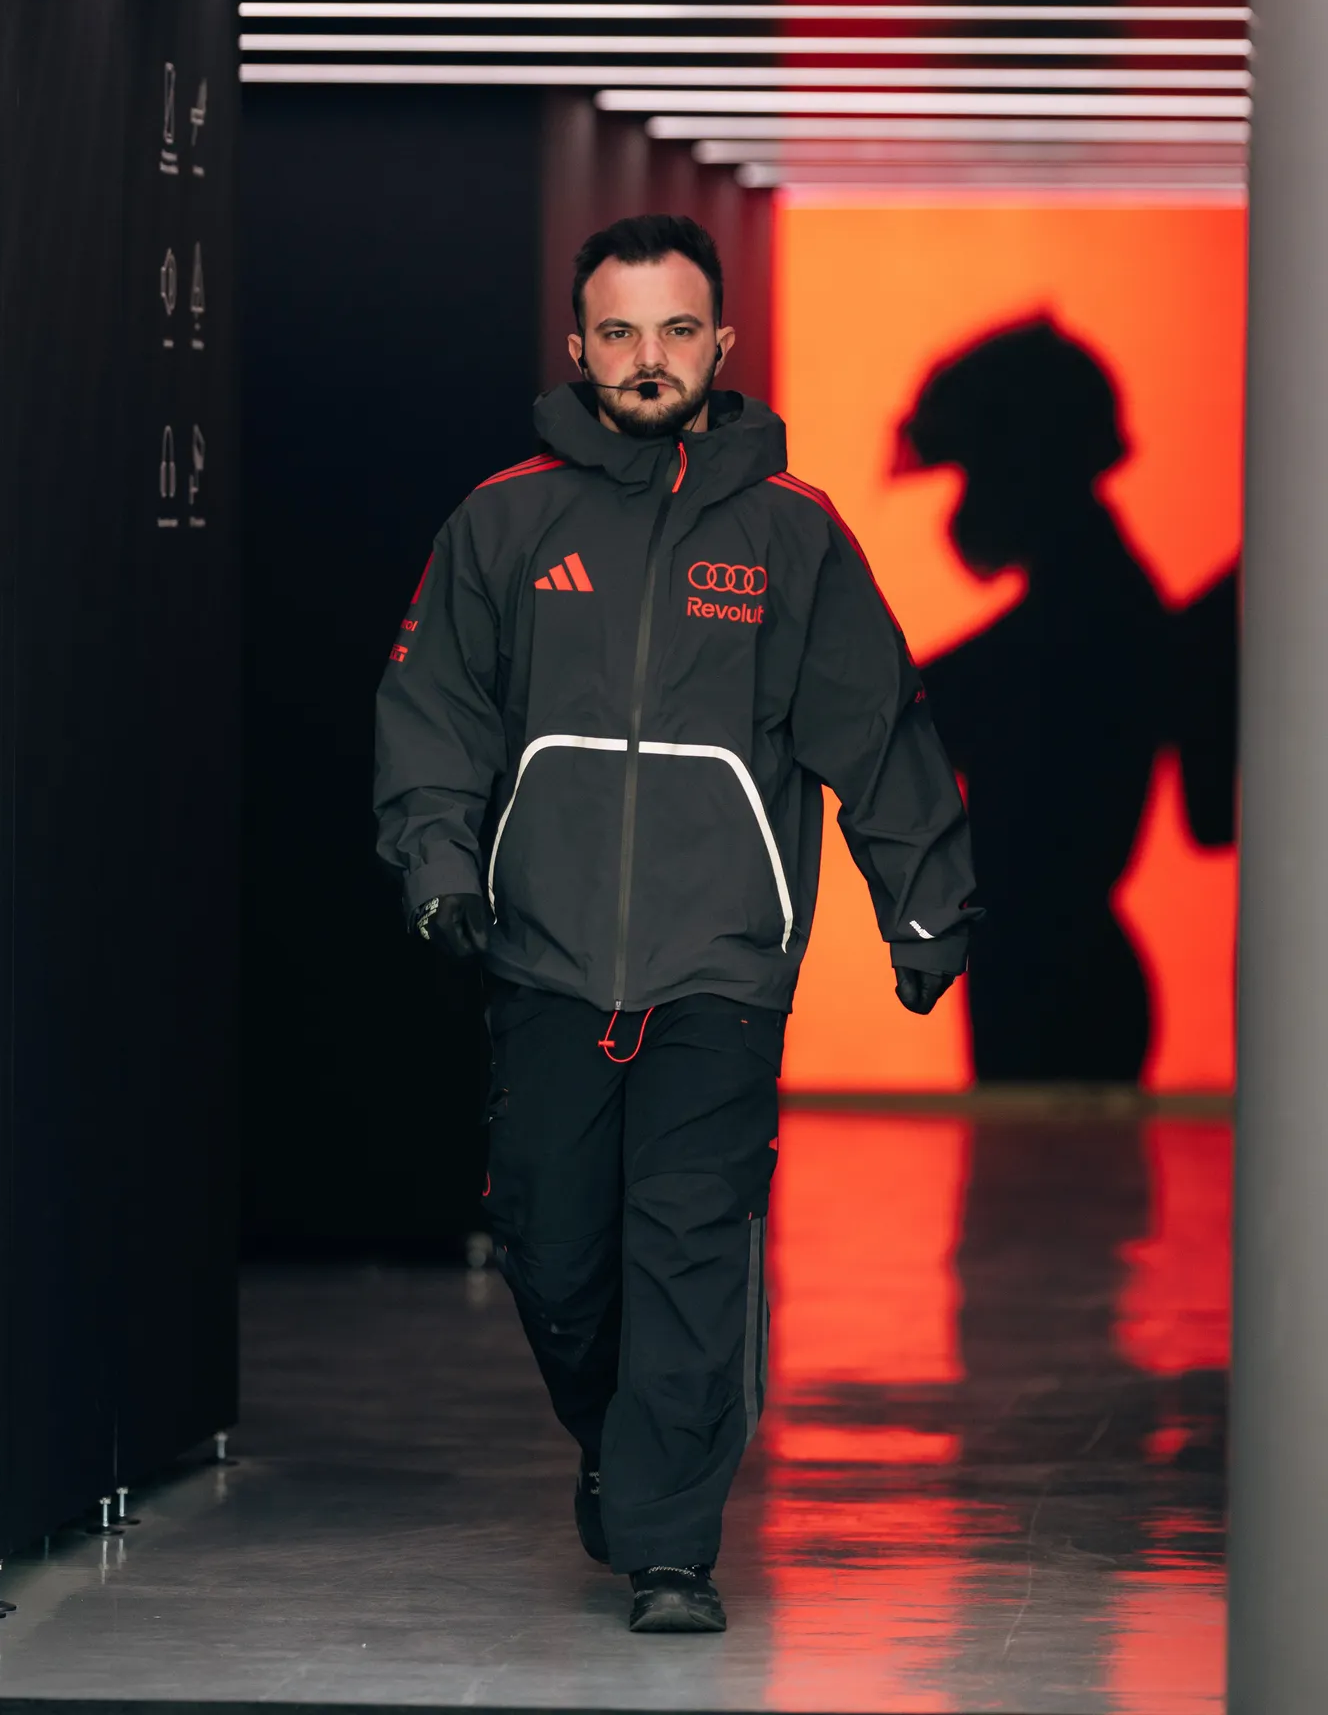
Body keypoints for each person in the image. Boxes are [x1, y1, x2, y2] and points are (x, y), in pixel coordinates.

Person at [373, 212, 979, 1635]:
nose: (650, 359)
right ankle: (623, 1446)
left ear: (722, 342)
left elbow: (875, 723)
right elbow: (433, 712)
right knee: (557, 1248)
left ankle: (668, 1548)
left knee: (693, 1245)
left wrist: (927, 903)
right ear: (579, 348)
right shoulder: (503, 522)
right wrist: (439, 864)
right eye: (621, 332)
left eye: (677, 330)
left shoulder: (791, 534)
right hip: (548, 955)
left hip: (722, 966)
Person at [899, 314, 1237, 1082]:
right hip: (1047, 972)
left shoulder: (1091, 613)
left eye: (977, 470)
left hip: (1058, 984)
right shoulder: (1093, 597)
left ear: (1027, 469)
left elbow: (936, 702)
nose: (967, 503)